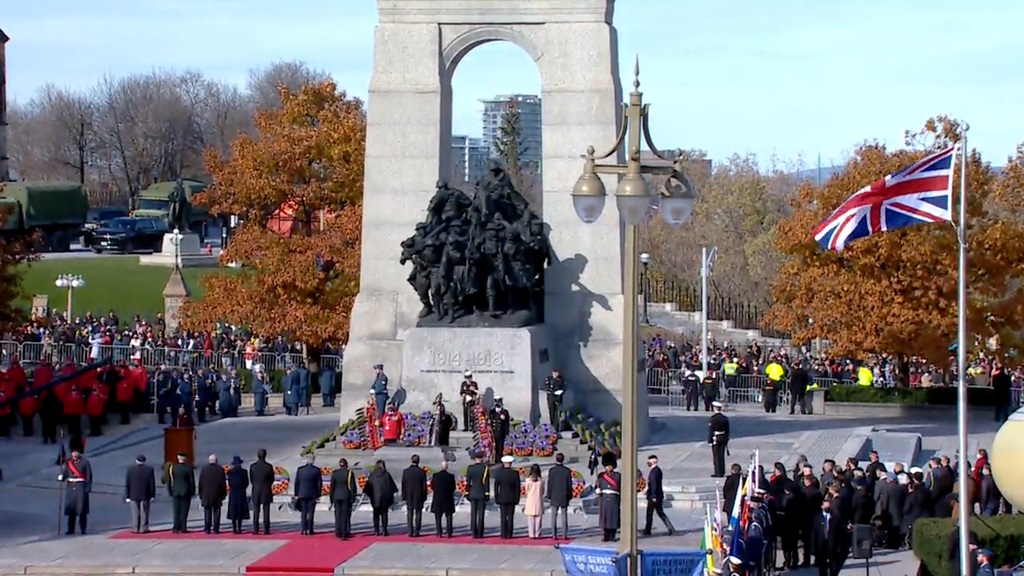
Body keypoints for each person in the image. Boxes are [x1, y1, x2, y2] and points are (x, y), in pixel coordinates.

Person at [59, 448, 93, 535]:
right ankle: (71, 529)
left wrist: (88, 488)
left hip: (80, 487)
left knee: (81, 510)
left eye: (76, 452)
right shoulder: (68, 463)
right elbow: (65, 474)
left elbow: (89, 476)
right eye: (73, 452)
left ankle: (83, 529)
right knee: (71, 510)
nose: (74, 454)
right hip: (70, 487)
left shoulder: (85, 462)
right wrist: (61, 477)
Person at [643, 455, 675, 535]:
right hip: (656, 495)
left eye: (649, 461)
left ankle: (648, 530)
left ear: (653, 462)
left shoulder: (654, 472)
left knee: (652, 513)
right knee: (657, 512)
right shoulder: (657, 471)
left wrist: (653, 496)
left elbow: (654, 484)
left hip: (654, 496)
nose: (648, 463)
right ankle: (670, 529)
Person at [365, 460, 398, 536]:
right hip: (385, 498)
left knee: (376, 514)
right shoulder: (386, 475)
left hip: (375, 498)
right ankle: (384, 530)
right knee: (384, 514)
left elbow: (367, 488)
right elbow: (392, 487)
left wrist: (371, 496)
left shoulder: (372, 475)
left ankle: (376, 530)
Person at [124, 454, 155, 534]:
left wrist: (127, 495)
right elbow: (152, 483)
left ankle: (135, 528)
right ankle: (143, 528)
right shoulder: (149, 470)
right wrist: (152, 495)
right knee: (144, 511)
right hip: (145, 494)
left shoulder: (130, 470)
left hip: (133, 494)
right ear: (144, 461)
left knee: (135, 512)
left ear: (136, 460)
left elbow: (128, 483)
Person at [811, 498, 842, 576]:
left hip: (832, 543)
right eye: (825, 507)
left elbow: (839, 533)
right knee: (822, 565)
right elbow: (814, 532)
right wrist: (813, 546)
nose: (827, 509)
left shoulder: (835, 517)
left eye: (828, 507)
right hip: (821, 543)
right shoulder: (817, 517)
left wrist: (839, 546)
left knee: (833, 564)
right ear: (822, 507)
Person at [293, 454, 322, 535]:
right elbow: (319, 484)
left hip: (302, 493)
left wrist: (296, 494)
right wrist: (318, 495)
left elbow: (297, 483)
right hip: (312, 494)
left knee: (304, 512)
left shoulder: (300, 470)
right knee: (311, 512)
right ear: (313, 460)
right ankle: (310, 529)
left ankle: (303, 529)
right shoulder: (316, 470)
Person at [198, 453, 227, 534]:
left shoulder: (204, 469)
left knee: (207, 512)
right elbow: (223, 483)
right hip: (217, 494)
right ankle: (216, 528)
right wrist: (223, 494)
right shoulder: (220, 470)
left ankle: (207, 528)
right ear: (216, 461)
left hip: (206, 495)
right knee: (216, 512)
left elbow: (201, 483)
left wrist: (201, 494)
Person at [329, 458, 358, 539]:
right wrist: (353, 497)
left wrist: (331, 498)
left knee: (338, 514)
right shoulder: (349, 473)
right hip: (346, 496)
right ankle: (344, 532)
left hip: (336, 496)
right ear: (346, 464)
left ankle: (338, 531)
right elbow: (352, 487)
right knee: (345, 515)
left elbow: (332, 487)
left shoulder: (335, 473)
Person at [546, 452, 573, 540]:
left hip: (554, 495)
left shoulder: (552, 471)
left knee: (554, 516)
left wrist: (549, 495)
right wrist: (570, 495)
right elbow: (569, 484)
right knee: (564, 516)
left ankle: (554, 534)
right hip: (564, 495)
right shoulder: (567, 471)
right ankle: (564, 534)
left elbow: (549, 484)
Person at [495, 454, 521, 539]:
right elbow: (517, 487)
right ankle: (509, 533)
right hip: (512, 497)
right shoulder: (515, 473)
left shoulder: (499, 473)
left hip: (502, 497)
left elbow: (496, 486)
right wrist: (517, 498)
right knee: (510, 516)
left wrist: (496, 497)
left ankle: (503, 533)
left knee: (503, 516)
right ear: (510, 464)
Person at [168, 452, 196, 533]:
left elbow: (169, 481)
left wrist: (170, 491)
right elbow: (191, 481)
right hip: (186, 491)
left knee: (176, 510)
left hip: (175, 491)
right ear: (185, 459)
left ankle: (176, 527)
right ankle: (183, 527)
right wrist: (193, 491)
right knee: (184, 511)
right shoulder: (189, 468)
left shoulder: (173, 467)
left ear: (178, 458)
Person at [401, 454, 428, 537]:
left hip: (409, 495)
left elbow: (403, 485)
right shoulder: (421, 472)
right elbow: (424, 486)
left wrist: (404, 496)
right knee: (418, 513)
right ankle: (417, 530)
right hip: (419, 495)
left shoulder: (406, 471)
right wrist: (424, 496)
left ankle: (410, 530)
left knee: (410, 513)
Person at [597, 452, 621, 542]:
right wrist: (597, 490)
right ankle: (605, 535)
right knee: (605, 518)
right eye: (607, 466)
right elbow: (597, 486)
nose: (608, 467)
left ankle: (612, 535)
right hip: (604, 498)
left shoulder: (618, 476)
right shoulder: (601, 476)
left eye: (610, 466)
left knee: (613, 517)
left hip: (614, 498)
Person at [250, 448, 275, 535]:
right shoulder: (269, 467)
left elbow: (251, 479)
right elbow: (272, 479)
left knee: (256, 510)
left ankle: (255, 529)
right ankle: (266, 529)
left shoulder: (253, 466)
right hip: (266, 490)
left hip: (256, 490)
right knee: (266, 510)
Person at [466, 450, 490, 538]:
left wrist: (467, 492)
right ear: (481, 458)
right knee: (481, 514)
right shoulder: (485, 468)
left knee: (473, 513)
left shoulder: (470, 468)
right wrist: (487, 493)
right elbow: (486, 483)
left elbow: (468, 482)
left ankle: (473, 532)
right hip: (481, 492)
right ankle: (480, 532)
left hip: (473, 492)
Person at [431, 460, 457, 538]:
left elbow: (433, 486)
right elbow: (453, 488)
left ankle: (439, 532)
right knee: (449, 515)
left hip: (438, 498)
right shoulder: (451, 476)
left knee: (438, 516)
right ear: (447, 467)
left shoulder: (435, 476)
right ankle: (449, 532)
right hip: (448, 498)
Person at [226, 455, 250, 534]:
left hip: (233, 493)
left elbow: (229, 483)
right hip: (241, 492)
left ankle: (234, 528)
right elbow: (246, 483)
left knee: (233, 510)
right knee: (240, 510)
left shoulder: (230, 472)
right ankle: (239, 527)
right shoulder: (244, 472)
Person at [708, 401, 730, 478]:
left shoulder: (713, 418)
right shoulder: (725, 418)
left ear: (715, 408)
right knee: (722, 455)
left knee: (716, 456)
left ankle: (717, 472)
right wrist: (727, 439)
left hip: (716, 438)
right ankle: (722, 471)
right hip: (723, 437)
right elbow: (727, 430)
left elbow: (711, 430)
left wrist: (709, 440)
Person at [524, 463, 545, 539]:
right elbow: (543, 491)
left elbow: (526, 490)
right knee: (538, 518)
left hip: (530, 500)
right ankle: (537, 533)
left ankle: (531, 534)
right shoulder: (541, 480)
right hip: (538, 499)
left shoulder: (528, 480)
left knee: (530, 518)